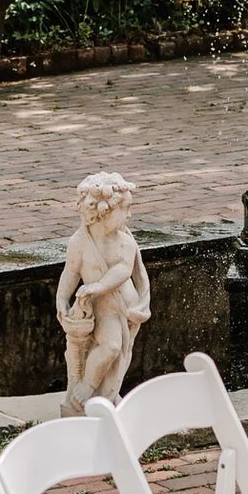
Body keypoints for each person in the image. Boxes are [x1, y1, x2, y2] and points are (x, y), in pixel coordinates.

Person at [56, 171, 151, 413]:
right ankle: (88, 386)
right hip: (102, 309)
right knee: (110, 348)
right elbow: (70, 273)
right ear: (104, 211)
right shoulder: (80, 242)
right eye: (125, 208)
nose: (129, 215)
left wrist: (100, 287)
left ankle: (106, 395)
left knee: (120, 354)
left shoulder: (125, 242)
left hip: (124, 308)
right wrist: (61, 299)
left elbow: (125, 270)